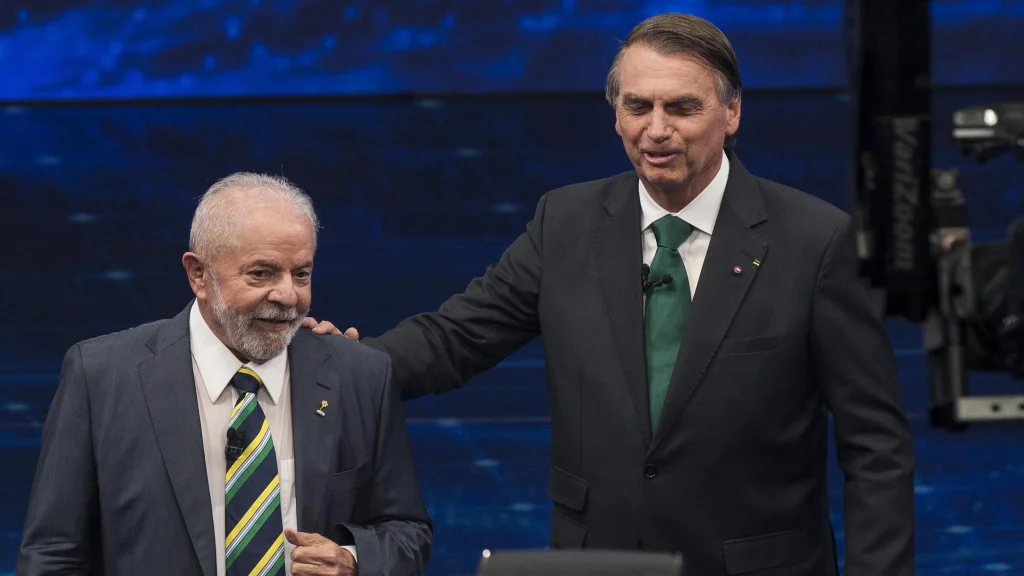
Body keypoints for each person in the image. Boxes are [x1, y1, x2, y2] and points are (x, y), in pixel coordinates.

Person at [311, 12, 914, 576]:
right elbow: (454, 339)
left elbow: (876, 446)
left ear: (731, 113)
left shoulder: (813, 241)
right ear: (616, 114)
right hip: (599, 558)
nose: (657, 130)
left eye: (681, 107)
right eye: (638, 106)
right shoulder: (566, 223)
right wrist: (340, 369)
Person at [18, 173, 432, 576]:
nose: (288, 295)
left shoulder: (360, 375)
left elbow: (407, 531)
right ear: (198, 274)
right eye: (261, 273)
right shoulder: (102, 377)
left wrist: (353, 560)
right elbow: (54, 552)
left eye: (301, 274)